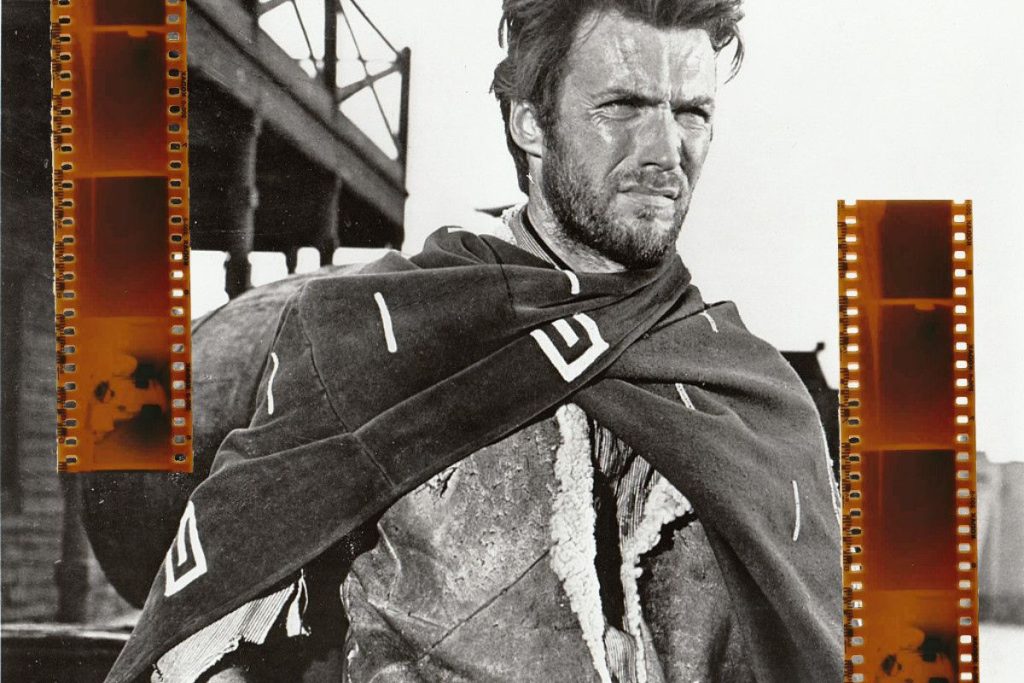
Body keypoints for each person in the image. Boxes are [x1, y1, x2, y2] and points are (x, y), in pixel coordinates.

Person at [105, 1, 842, 681]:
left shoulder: (754, 396)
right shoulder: (380, 337)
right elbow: (197, 642)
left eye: (692, 113)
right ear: (530, 123)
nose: (664, 151)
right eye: (622, 106)